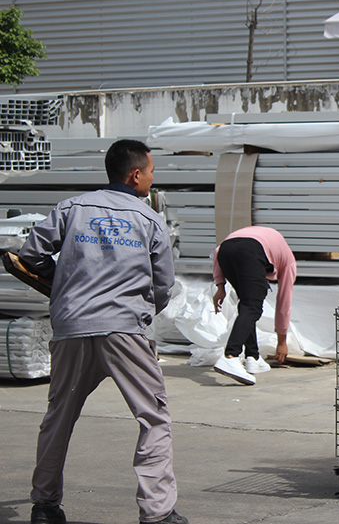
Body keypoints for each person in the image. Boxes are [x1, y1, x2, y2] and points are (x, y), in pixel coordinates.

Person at [18, 139, 187, 524]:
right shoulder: (150, 220)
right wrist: (142, 314)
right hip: (125, 331)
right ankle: (157, 512)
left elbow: (29, 254)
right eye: (151, 171)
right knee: (153, 418)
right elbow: (163, 285)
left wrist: (62, 285)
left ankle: (44, 506)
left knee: (59, 417)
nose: (153, 177)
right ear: (135, 175)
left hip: (71, 328)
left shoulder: (71, 209)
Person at [211, 226, 296, 386]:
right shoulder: (289, 262)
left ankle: (253, 357)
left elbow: (218, 250)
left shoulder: (272, 244)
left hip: (226, 250)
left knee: (246, 304)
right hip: (250, 251)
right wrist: (281, 341)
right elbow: (284, 303)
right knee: (252, 306)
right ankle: (231, 356)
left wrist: (220, 286)